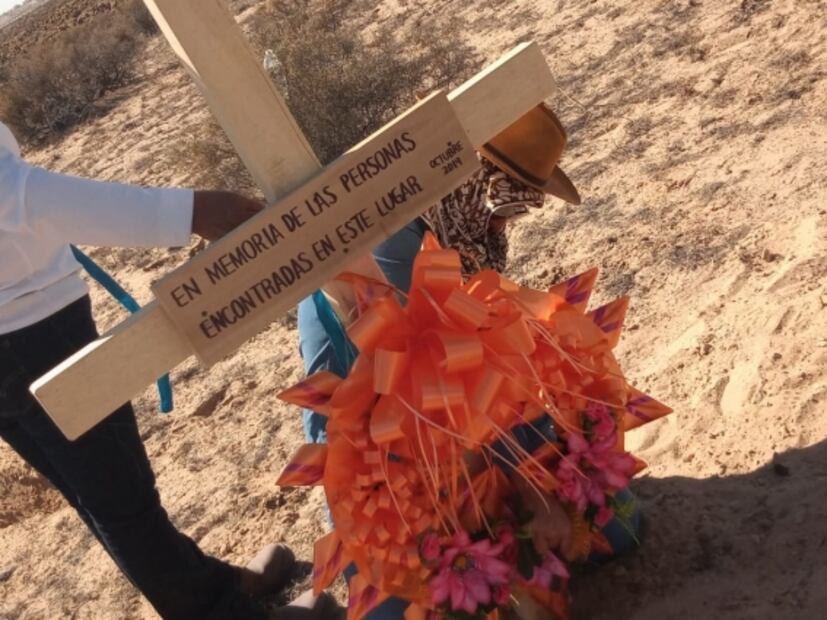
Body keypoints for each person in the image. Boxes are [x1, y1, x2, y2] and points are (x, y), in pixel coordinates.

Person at [296, 104, 641, 618]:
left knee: (616, 527)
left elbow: (485, 364)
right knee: (408, 601)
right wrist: (532, 491)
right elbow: (447, 394)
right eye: (507, 199)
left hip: (465, 427)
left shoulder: (448, 222)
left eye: (521, 205)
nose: (507, 220)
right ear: (469, 178)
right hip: (384, 453)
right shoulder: (393, 249)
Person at [0, 120, 336, 620]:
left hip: (19, 328)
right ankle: (220, 611)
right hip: (34, 334)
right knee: (121, 499)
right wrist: (188, 212)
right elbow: (18, 194)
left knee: (98, 495)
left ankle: (211, 585)